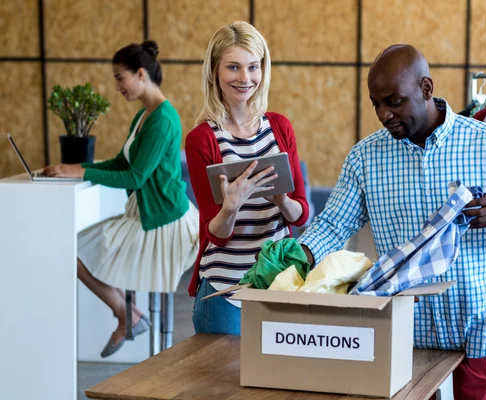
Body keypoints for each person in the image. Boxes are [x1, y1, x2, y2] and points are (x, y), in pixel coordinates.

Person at [297, 44, 486, 399]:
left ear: (426, 89)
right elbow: (333, 226)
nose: (383, 114)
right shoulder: (365, 157)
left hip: (480, 327)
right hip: (406, 332)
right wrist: (295, 256)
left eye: (393, 102)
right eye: (376, 104)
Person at [44, 40, 199, 358]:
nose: (117, 86)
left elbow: (135, 177)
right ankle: (127, 313)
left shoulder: (162, 120)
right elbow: (122, 163)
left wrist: (81, 173)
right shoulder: (145, 116)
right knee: (76, 252)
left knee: (75, 253)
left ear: (141, 74)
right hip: (145, 215)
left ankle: (126, 313)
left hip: (162, 220)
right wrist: (75, 168)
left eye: (119, 77)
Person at [185, 21, 309, 335]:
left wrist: (282, 200)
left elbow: (302, 214)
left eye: (253, 67)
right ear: (215, 71)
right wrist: (230, 207)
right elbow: (217, 234)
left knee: (281, 382)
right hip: (226, 290)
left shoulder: (280, 127)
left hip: (280, 283)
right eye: (233, 67)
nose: (245, 78)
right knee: (221, 385)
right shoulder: (202, 139)